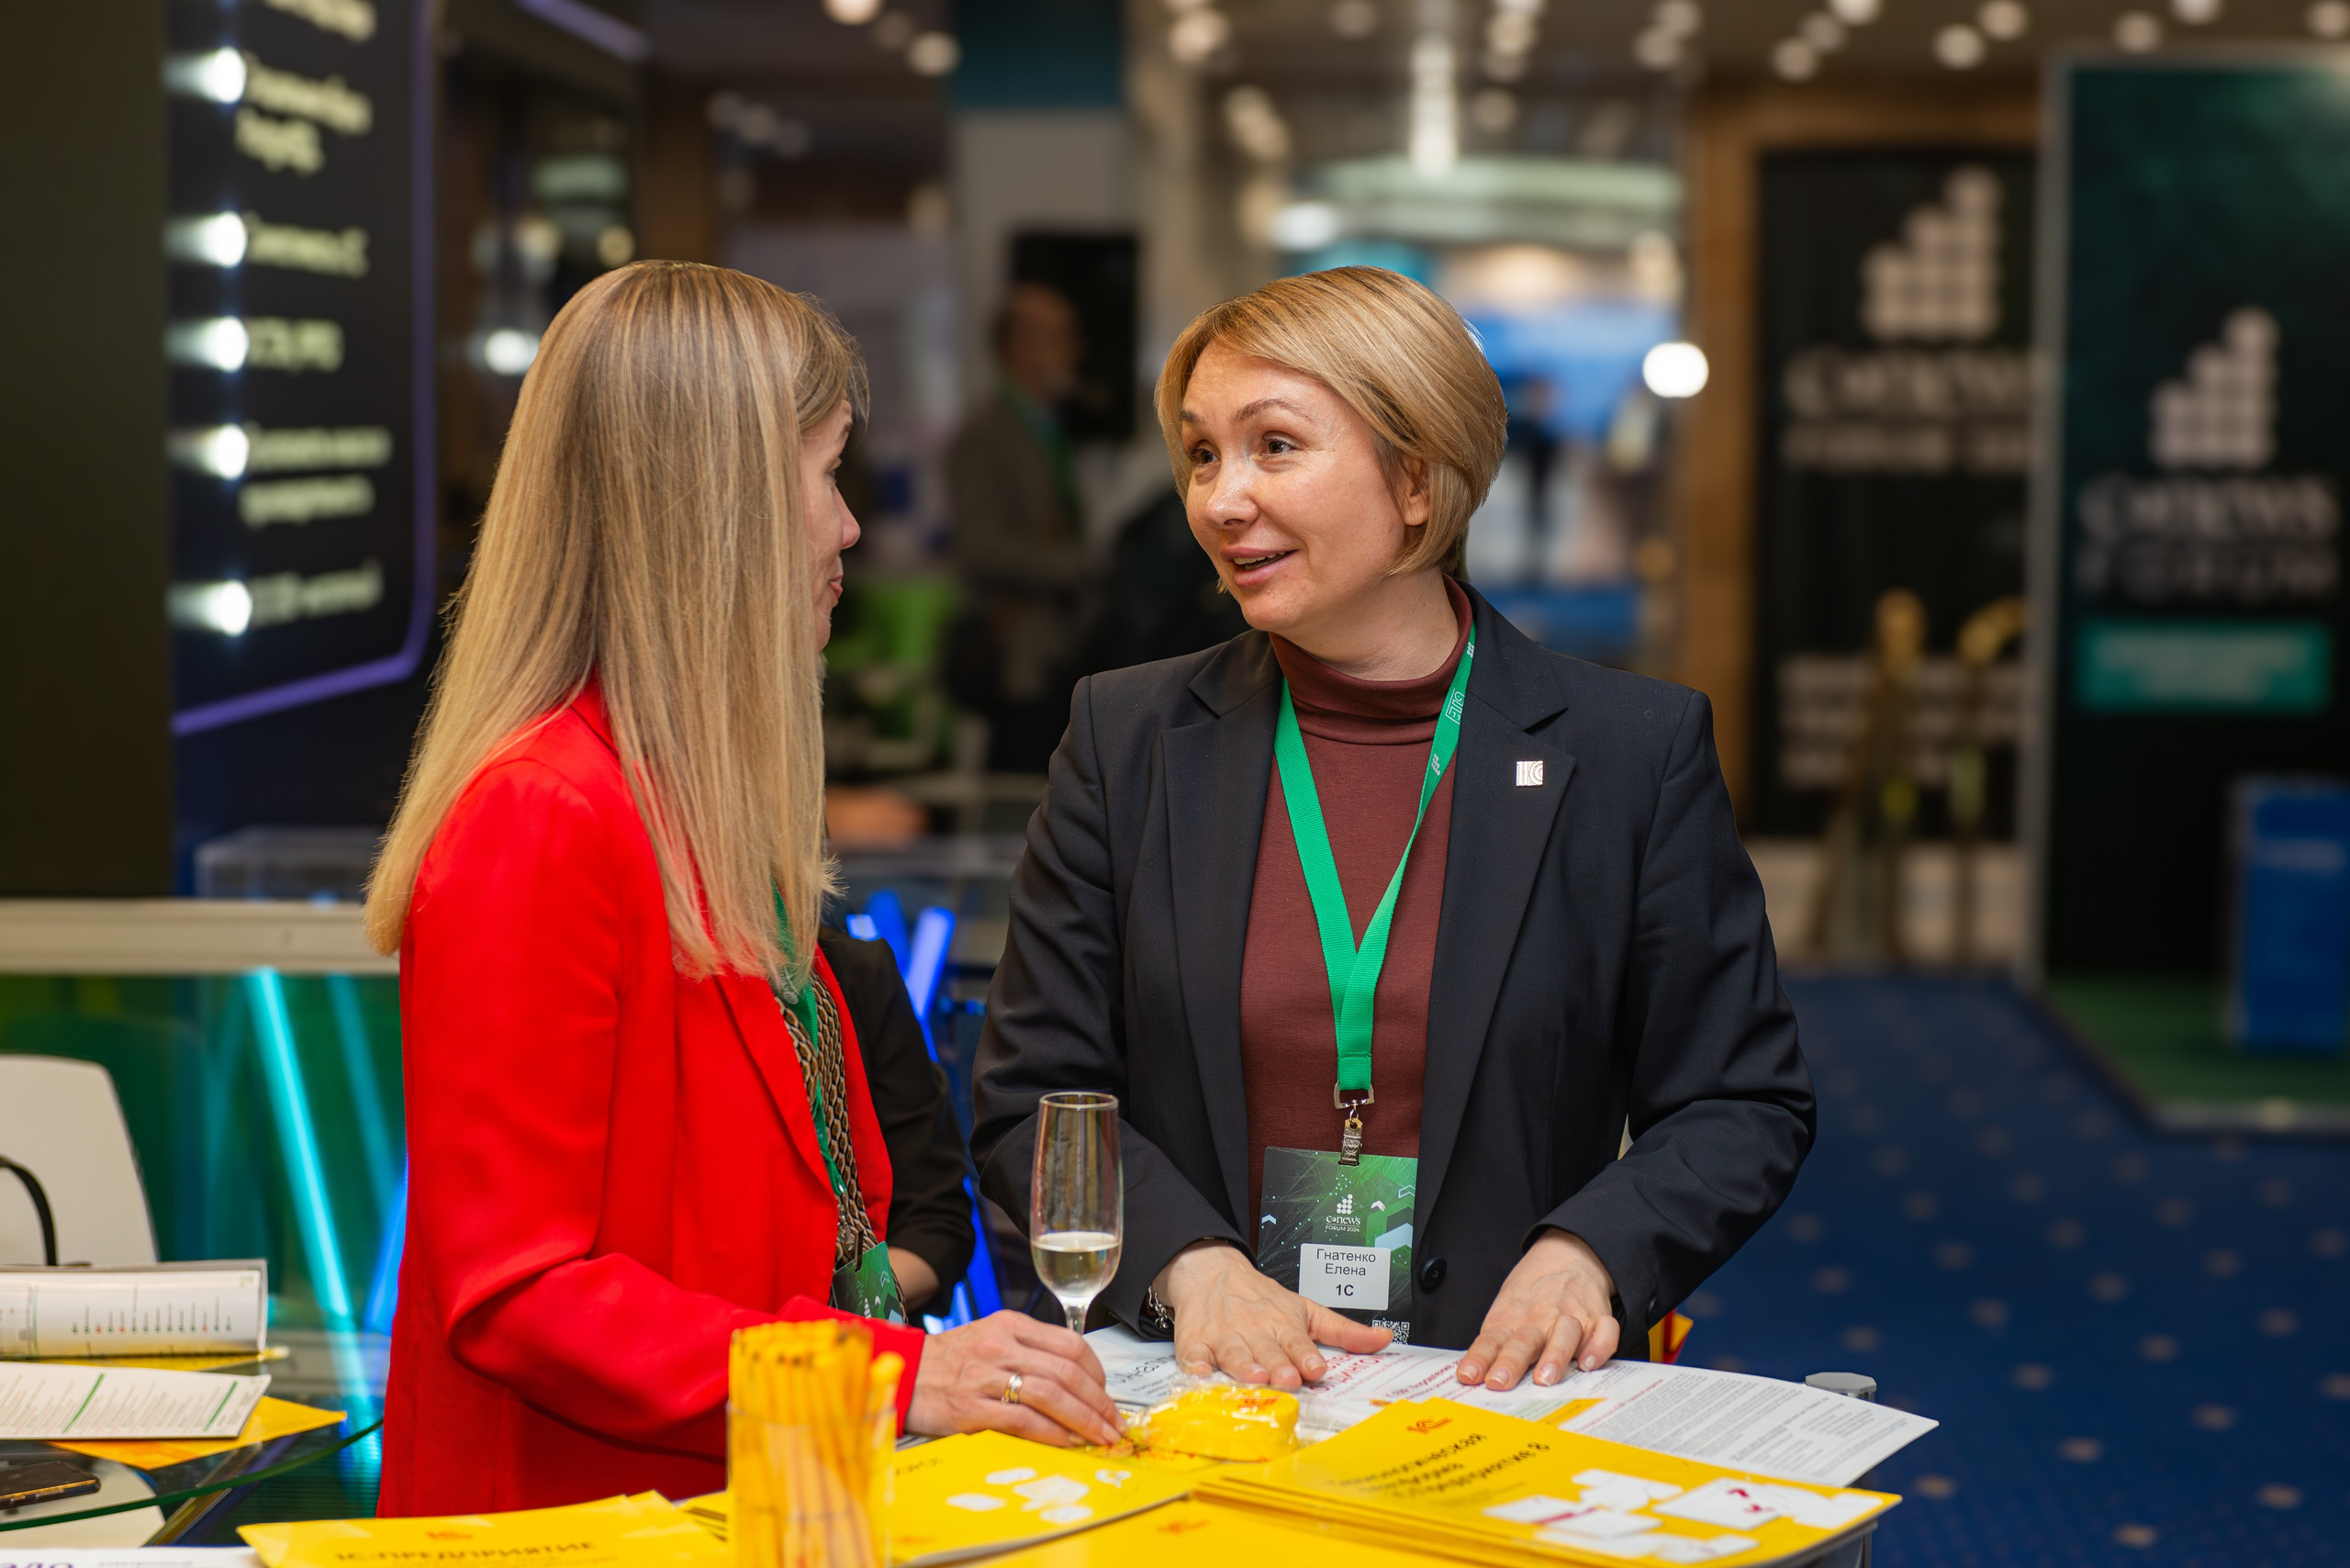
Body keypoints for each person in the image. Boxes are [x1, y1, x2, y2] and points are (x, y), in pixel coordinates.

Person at [363, 262, 1121, 1517]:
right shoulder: (542, 815)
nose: (848, 529)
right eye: (826, 476)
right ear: (713, 507)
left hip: (746, 1501)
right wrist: (893, 1377)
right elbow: (521, 1291)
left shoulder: (682, 801)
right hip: (589, 1525)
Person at [970, 267, 1812, 1397]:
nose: (1220, 500)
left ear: (1415, 481)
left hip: (1493, 1388)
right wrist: (1190, 1264)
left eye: (1274, 446)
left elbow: (1737, 1099)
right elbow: (1036, 1095)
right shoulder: (1126, 739)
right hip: (1202, 1386)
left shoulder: (1627, 752)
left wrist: (1589, 1254)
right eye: (1202, 452)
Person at [946, 282, 1092, 773]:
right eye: (1060, 337)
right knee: (1021, 794)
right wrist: (1080, 566)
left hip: (1060, 652)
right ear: (1018, 347)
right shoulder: (986, 434)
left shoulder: (1048, 427)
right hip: (1018, 661)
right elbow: (981, 548)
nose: (1074, 352)